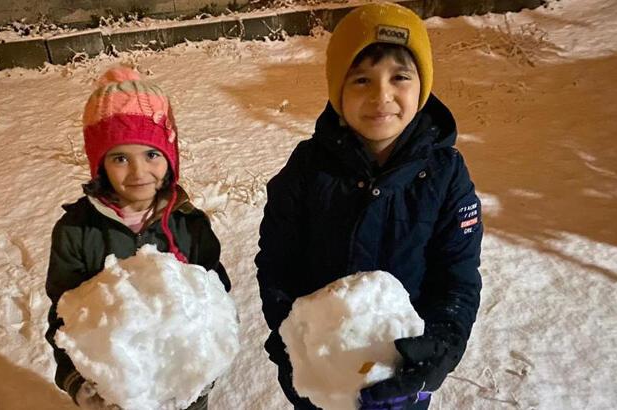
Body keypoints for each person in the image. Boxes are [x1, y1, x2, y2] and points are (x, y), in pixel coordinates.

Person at [255, 3, 483, 409]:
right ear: (338, 91)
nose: (382, 96)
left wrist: (440, 348)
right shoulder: (307, 171)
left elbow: (457, 276)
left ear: (422, 87)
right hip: (322, 374)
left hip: (402, 376)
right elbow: (277, 262)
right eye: (361, 79)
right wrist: (292, 337)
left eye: (400, 77)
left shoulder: (446, 176)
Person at [45, 66, 231, 410]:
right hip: (117, 390)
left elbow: (215, 295)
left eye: (151, 154)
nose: (138, 172)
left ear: (170, 157)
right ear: (99, 165)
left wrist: (208, 358)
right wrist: (78, 379)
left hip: (183, 383)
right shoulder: (76, 232)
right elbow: (63, 315)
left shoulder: (189, 225)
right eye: (119, 158)